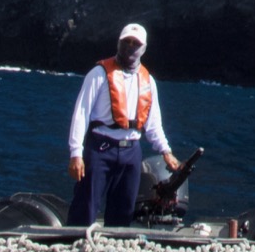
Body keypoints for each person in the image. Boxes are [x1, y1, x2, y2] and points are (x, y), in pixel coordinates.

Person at [67, 22, 181, 227]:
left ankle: (113, 248)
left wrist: (166, 151)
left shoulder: (148, 81)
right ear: (118, 43)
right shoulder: (99, 74)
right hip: (101, 148)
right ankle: (74, 246)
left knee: (123, 210)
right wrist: (76, 153)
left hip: (131, 152)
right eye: (126, 41)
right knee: (86, 205)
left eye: (135, 43)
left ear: (143, 49)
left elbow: (153, 124)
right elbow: (81, 113)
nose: (130, 46)